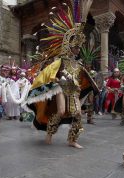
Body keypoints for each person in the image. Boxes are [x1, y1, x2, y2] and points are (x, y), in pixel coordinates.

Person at [25, 1, 97, 148]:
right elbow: (47, 74)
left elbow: (83, 79)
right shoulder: (60, 61)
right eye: (76, 47)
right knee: (61, 111)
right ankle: (49, 133)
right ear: (69, 46)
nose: (78, 49)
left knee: (77, 114)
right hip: (60, 89)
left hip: (74, 92)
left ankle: (72, 140)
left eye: (79, 47)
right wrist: (57, 81)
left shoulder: (79, 64)